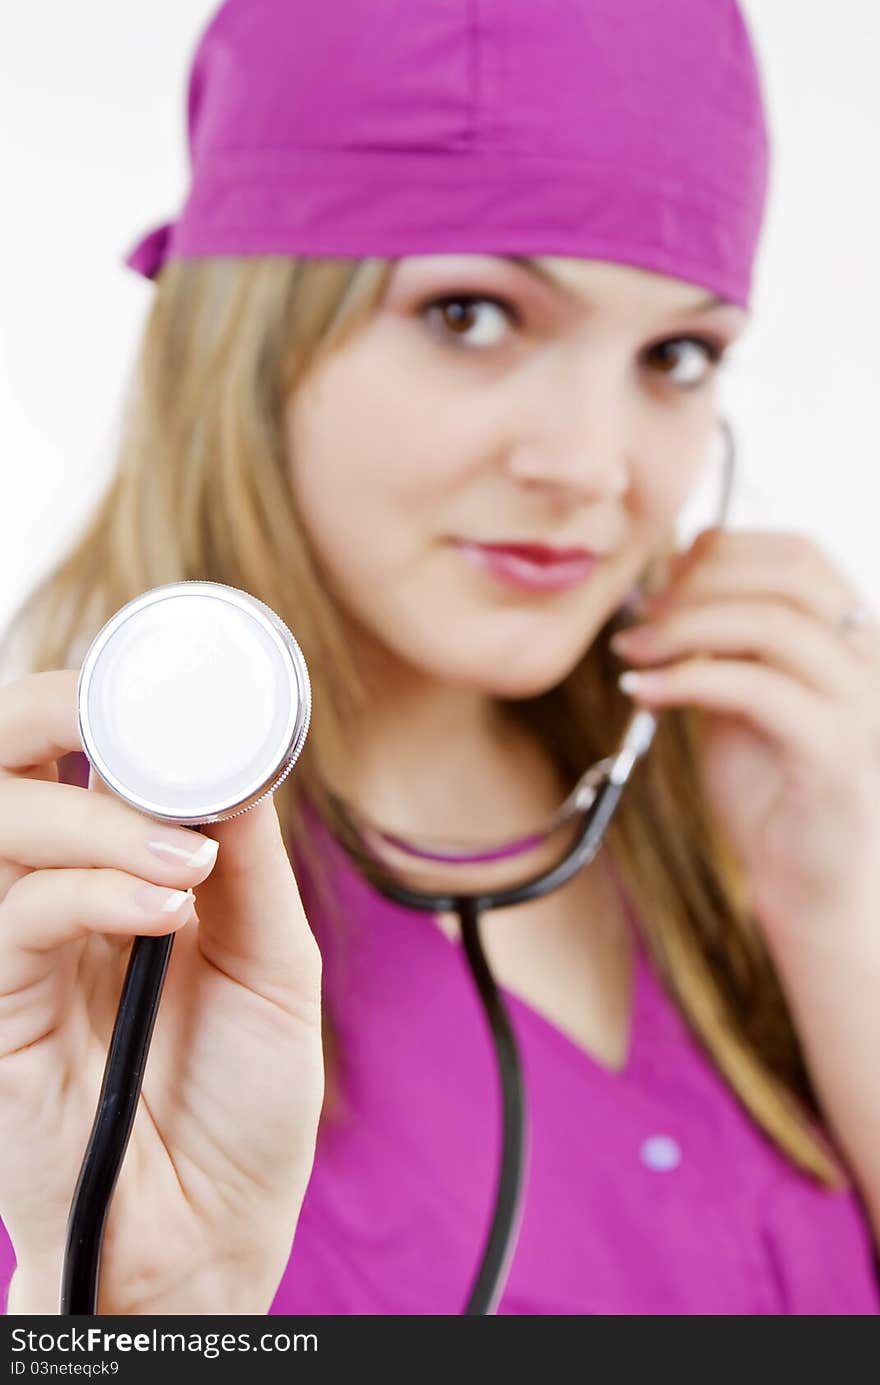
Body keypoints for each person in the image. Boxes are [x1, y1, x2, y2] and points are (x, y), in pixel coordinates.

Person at [1, 0, 879, 1317]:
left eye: (677, 354)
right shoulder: (47, 915)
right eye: (471, 313)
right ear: (248, 342)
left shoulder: (768, 815)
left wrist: (839, 909)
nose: (591, 467)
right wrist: (136, 1315)